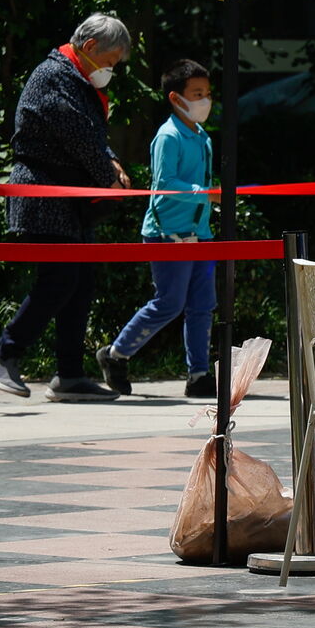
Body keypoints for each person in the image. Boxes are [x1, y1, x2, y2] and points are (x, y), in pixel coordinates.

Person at [0, 14, 132, 402]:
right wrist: (108, 175)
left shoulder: (75, 78)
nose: (110, 70)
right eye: (110, 61)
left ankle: (70, 375)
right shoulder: (54, 75)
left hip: (70, 199)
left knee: (80, 283)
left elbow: (92, 134)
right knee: (60, 279)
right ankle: (4, 355)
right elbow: (76, 134)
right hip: (44, 194)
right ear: (90, 47)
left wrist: (112, 163)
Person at [96, 60, 217, 399]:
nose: (205, 100)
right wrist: (204, 193)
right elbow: (165, 184)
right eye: (197, 94)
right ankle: (116, 354)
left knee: (203, 304)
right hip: (168, 232)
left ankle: (199, 374)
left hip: (200, 232)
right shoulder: (168, 136)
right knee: (169, 302)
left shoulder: (202, 137)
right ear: (176, 98)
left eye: (207, 93)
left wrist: (206, 199)